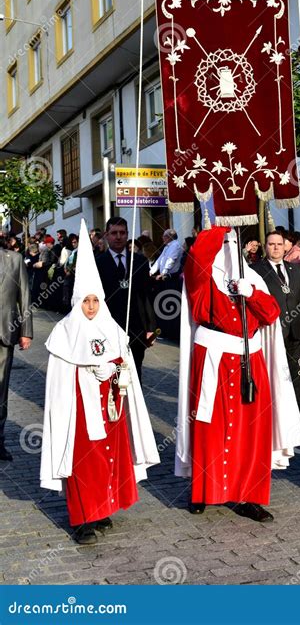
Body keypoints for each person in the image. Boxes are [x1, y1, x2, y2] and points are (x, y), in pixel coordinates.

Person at [40, 220, 159, 544]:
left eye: (95, 301)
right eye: (86, 302)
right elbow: (60, 377)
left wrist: (117, 370)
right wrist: (88, 372)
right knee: (85, 462)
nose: (91, 307)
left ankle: (102, 508)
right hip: (79, 410)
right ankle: (81, 519)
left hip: (111, 409)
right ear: (78, 301)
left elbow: (125, 364)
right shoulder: (65, 332)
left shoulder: (112, 328)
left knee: (108, 456)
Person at [176, 226, 300, 522]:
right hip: (214, 358)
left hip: (249, 359)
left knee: (251, 431)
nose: (229, 248)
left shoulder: (253, 277)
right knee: (210, 427)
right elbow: (196, 259)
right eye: (223, 243)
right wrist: (221, 220)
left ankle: (249, 495)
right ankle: (203, 491)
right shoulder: (203, 277)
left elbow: (271, 314)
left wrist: (251, 294)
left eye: (233, 242)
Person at [253, 231, 300, 422]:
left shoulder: (295, 269)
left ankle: (299, 417)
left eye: (279, 244)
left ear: (285, 246)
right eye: (271, 244)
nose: (275, 248)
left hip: (296, 332)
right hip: (271, 332)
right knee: (274, 375)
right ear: (266, 247)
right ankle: (274, 417)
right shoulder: (256, 270)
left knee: (297, 375)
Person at [96, 217, 156, 381]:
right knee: (110, 375)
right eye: (114, 233)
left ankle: (134, 407)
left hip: (136, 330)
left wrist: (150, 328)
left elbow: (147, 296)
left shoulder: (140, 261)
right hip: (107, 330)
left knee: (134, 374)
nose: (118, 237)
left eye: (122, 233)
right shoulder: (98, 263)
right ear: (107, 235)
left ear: (127, 234)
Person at [0, 236, 33, 461]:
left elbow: (24, 295)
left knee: (1, 390)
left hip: (5, 333)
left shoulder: (15, 259)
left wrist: (25, 331)